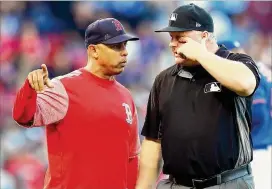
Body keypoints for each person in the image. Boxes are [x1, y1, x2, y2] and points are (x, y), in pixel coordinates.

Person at [136, 4, 260, 189]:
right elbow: (153, 141)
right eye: (171, 38)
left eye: (180, 38)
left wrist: (201, 54)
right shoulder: (164, 79)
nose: (172, 44)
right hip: (177, 184)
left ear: (204, 36)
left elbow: (245, 84)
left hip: (227, 183)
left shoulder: (237, 62)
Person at [12, 18, 140, 189]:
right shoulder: (62, 87)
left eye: (124, 46)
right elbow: (22, 116)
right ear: (94, 50)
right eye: (116, 47)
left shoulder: (126, 96)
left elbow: (131, 159)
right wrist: (29, 89)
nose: (124, 52)